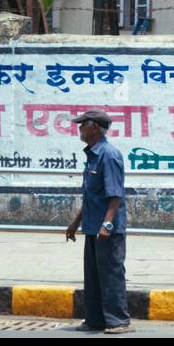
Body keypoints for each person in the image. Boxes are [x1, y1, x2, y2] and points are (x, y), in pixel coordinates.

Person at [64, 109, 130, 333]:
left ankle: (118, 321)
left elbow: (115, 195)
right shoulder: (92, 155)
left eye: (83, 124)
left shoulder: (108, 155)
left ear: (95, 127)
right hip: (92, 227)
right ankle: (95, 319)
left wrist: (107, 224)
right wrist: (75, 223)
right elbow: (91, 196)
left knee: (111, 275)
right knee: (92, 277)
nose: (79, 128)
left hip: (107, 229)